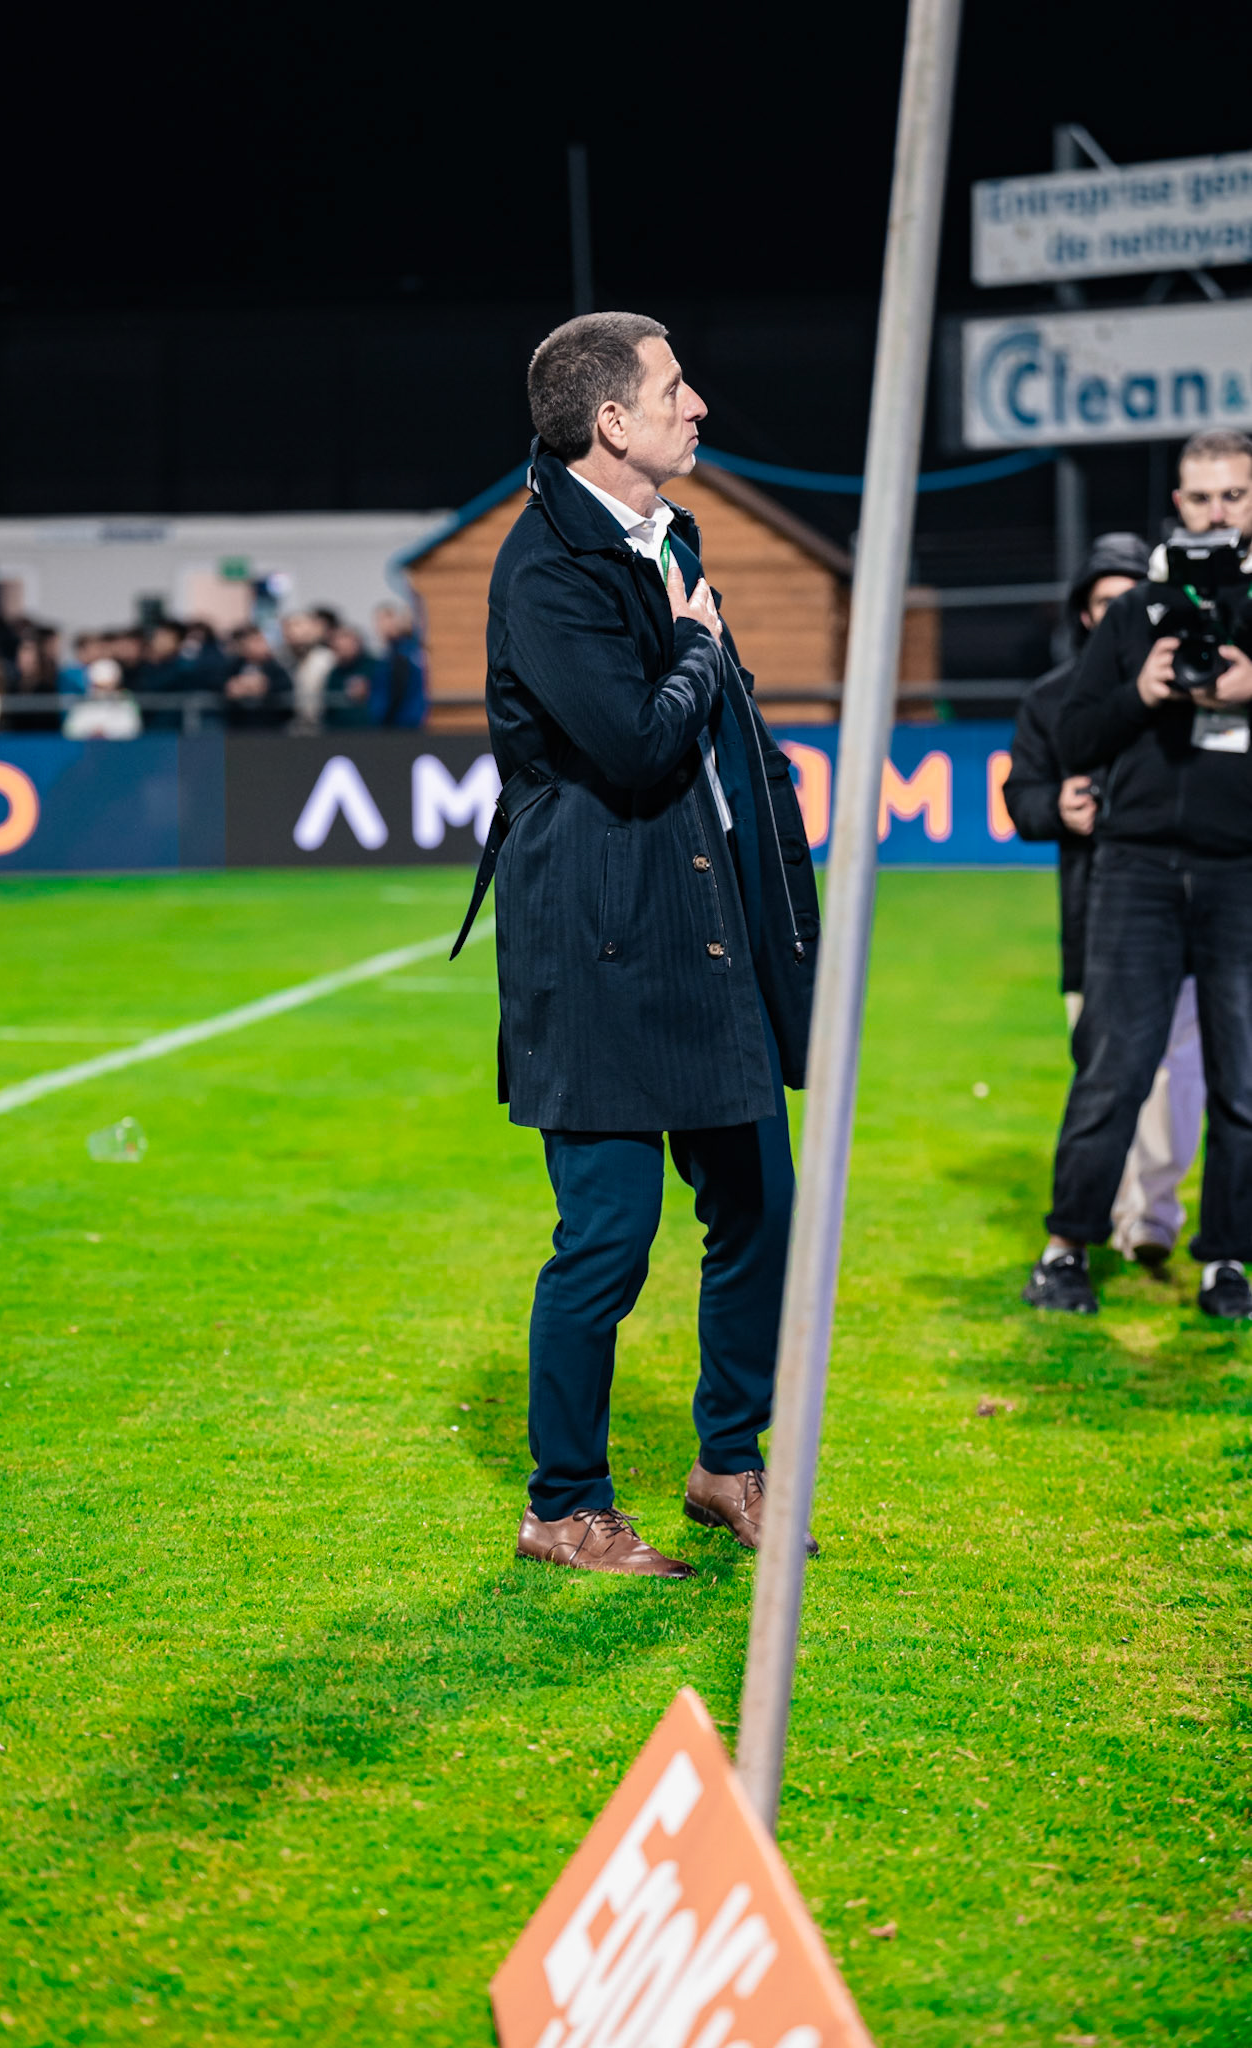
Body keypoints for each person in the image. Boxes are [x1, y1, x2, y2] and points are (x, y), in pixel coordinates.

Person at [452, 311, 820, 1579]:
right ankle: (565, 1503)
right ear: (612, 421)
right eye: (674, 386)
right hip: (599, 938)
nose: (698, 402)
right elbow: (635, 742)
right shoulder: (544, 567)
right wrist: (704, 647)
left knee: (762, 1202)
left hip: (706, 924)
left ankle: (727, 1462)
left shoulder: (671, 530)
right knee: (607, 1235)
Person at [1025, 428, 1252, 1319]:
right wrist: (1142, 693)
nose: (1216, 513)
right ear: (1178, 508)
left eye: (1233, 496)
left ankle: (1226, 1260)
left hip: (1242, 874)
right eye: (1200, 499)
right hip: (1135, 871)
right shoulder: (1132, 617)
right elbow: (1071, 736)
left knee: (1244, 1083)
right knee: (1112, 1070)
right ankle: (1065, 1249)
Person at [1005, 533, 1206, 1266]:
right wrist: (1056, 805)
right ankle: (1094, 1223)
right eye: (1103, 602)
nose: (1120, 612)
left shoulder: (1197, 681)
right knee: (1107, 1074)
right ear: (1085, 616)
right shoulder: (1051, 701)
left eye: (1133, 598)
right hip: (1093, 922)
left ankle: (1151, 1219)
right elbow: (1020, 797)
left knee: (1176, 1077)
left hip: (1187, 915)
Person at [371, 601, 426, 727]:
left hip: (405, 723)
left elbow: (398, 689)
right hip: (396, 722)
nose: (382, 625)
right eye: (378, 620)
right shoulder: (388, 654)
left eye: (388, 618)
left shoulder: (406, 652)